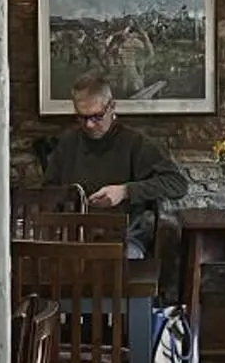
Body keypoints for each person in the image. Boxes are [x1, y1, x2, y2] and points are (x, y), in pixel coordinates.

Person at [44, 71, 188, 259]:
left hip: (125, 238)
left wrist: (125, 191)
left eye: (96, 116)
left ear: (112, 107)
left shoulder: (135, 143)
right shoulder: (68, 144)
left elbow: (177, 184)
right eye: (81, 117)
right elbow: (47, 192)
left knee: (115, 262)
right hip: (74, 236)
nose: (88, 125)